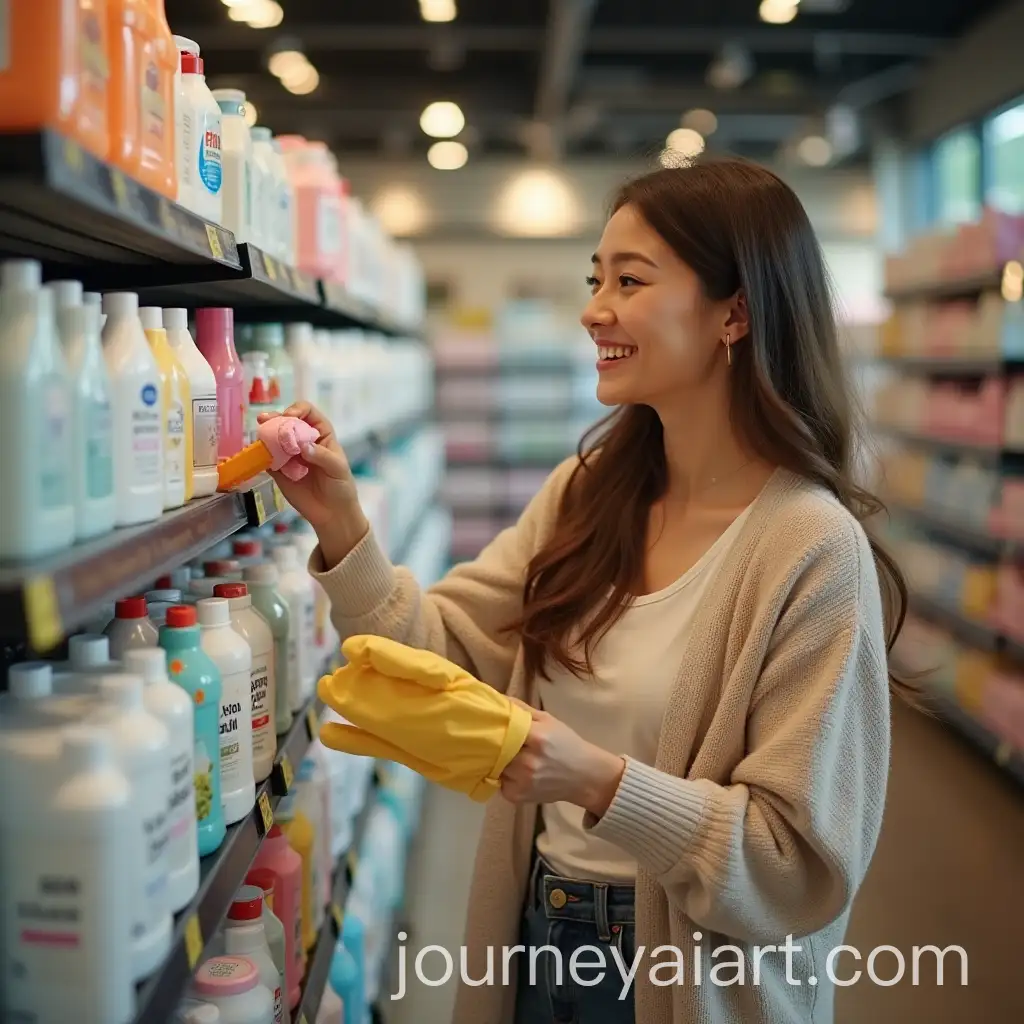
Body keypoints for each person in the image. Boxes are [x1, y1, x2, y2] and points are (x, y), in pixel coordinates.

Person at [265, 158, 903, 1024]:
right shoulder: (589, 490)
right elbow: (444, 650)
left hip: (684, 983)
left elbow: (797, 866)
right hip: (538, 938)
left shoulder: (811, 550)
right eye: (595, 278)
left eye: (630, 281)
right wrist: (341, 522)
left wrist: (602, 783)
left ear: (735, 313)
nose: (593, 308)